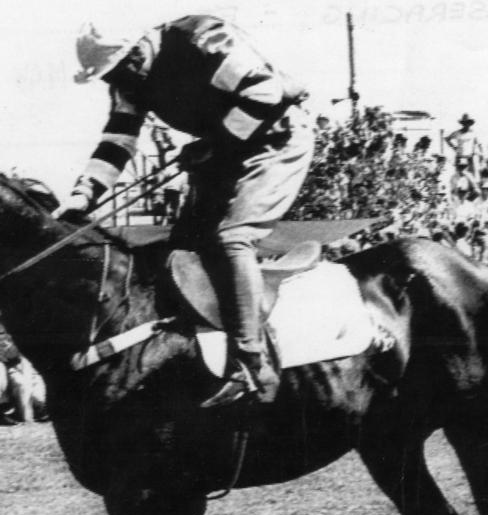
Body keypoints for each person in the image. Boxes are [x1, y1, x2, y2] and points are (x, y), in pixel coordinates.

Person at [58, 18, 313, 407]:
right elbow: (117, 141)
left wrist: (213, 143)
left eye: (123, 68)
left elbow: (265, 92)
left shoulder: (200, 37)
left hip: (276, 141)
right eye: (110, 76)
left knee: (233, 237)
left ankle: (251, 363)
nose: (120, 82)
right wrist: (82, 197)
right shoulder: (129, 79)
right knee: (180, 253)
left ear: (138, 47)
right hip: (225, 149)